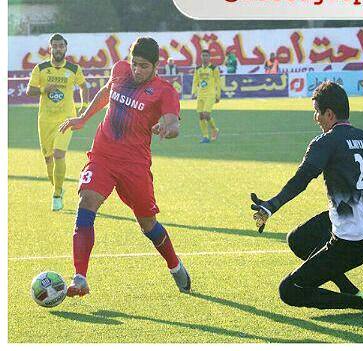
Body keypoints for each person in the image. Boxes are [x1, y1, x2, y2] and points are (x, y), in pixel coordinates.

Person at [250, 81, 363, 311]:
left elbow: (301, 180)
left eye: (317, 112)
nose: (315, 118)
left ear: (329, 114)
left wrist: (271, 206)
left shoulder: (326, 142)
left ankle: (361, 301)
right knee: (298, 239)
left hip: (349, 242)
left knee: (289, 291)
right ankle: (349, 289)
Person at [58, 37, 191, 297]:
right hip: (103, 156)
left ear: (156, 66)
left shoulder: (164, 91)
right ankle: (80, 277)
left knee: (148, 225)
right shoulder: (120, 70)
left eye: (143, 66)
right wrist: (84, 118)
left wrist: (166, 128)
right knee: (86, 203)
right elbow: (107, 91)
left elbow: (174, 123)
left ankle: (174, 265)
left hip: (135, 166)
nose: (137, 70)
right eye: (134, 64)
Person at [26, 33, 89, 211]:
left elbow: (84, 86)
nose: (58, 49)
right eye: (55, 46)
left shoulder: (74, 69)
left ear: (66, 47)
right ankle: (57, 188)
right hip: (45, 120)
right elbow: (30, 91)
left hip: (66, 118)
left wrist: (83, 107)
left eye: (61, 45)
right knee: (48, 160)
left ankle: (56, 195)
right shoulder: (41, 68)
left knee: (59, 154)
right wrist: (44, 89)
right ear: (50, 48)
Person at [191, 49, 221, 144]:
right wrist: (194, 91)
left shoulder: (213, 68)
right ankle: (205, 137)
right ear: (201, 57)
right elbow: (195, 81)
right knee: (201, 116)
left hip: (210, 94)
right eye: (203, 55)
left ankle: (215, 129)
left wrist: (218, 95)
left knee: (206, 114)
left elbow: (218, 82)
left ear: (209, 57)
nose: (204, 57)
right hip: (201, 95)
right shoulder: (198, 68)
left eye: (206, 56)